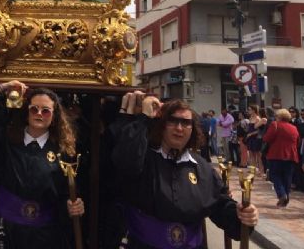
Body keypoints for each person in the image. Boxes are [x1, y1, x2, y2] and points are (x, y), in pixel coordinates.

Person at [110, 91, 258, 248]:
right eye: (172, 121)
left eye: (186, 123)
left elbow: (219, 204)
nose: (179, 128)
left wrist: (241, 214)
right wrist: (145, 117)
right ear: (161, 125)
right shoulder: (142, 159)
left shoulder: (202, 168)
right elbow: (125, 163)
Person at [0, 80, 85, 249]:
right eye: (34, 109)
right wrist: (0, 91)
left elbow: (66, 193)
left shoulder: (64, 152)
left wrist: (74, 206)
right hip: (6, 230)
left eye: (46, 111)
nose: (39, 114)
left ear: (55, 115)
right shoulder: (6, 142)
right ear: (26, 112)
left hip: (44, 235)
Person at [262, 108, 299, 207]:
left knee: (275, 175)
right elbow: (297, 141)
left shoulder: (275, 124)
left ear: (279, 117)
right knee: (287, 177)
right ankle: (285, 198)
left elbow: (266, 138)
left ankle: (282, 195)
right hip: (291, 155)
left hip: (276, 154)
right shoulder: (294, 128)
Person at [245, 105, 267, 176]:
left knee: (258, 155)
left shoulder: (258, 118)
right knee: (251, 154)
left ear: (254, 110)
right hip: (250, 138)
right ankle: (253, 169)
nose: (248, 111)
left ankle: (261, 171)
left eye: (249, 109)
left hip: (256, 138)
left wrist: (251, 134)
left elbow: (259, 130)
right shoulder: (250, 117)